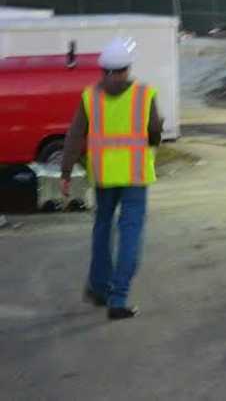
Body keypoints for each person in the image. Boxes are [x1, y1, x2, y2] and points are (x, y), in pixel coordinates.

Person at [61, 37, 163, 320]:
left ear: (103, 70)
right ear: (127, 69)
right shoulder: (145, 94)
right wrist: (151, 141)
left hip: (104, 177)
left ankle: (99, 288)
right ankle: (117, 299)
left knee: (102, 230)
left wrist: (66, 172)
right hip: (135, 176)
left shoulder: (89, 96)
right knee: (130, 234)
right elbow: (155, 131)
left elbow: (74, 136)